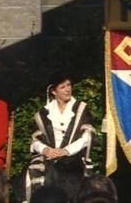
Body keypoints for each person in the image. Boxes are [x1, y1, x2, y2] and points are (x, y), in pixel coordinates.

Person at [24, 73, 96, 202]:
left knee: (69, 175)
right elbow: (35, 141)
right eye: (63, 87)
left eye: (69, 85)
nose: (68, 89)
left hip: (73, 156)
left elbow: (87, 136)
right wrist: (47, 150)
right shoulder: (43, 113)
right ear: (53, 92)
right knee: (35, 171)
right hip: (49, 156)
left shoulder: (81, 108)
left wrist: (66, 151)